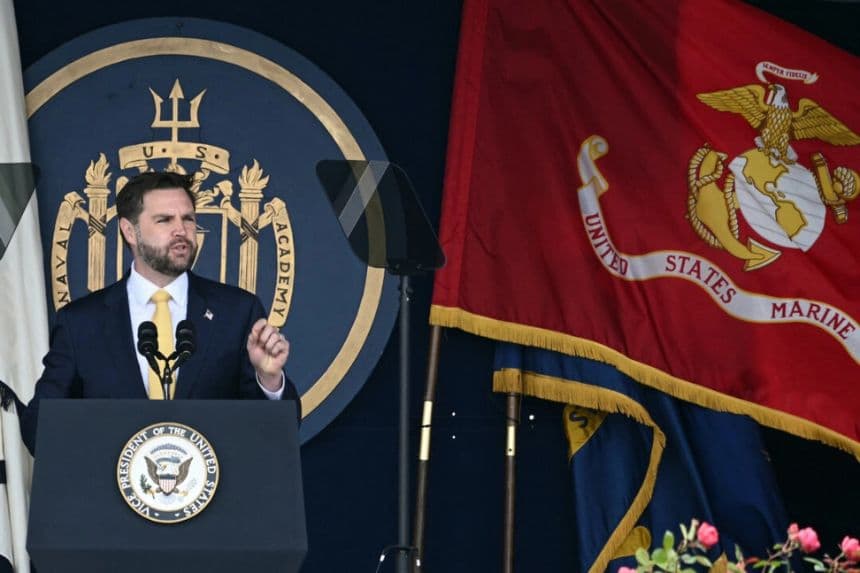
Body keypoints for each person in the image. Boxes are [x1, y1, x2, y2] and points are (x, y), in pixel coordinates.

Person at [20, 171, 299, 454]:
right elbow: (38, 429)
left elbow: (279, 431)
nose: (181, 230)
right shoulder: (80, 322)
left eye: (188, 219)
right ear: (130, 231)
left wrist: (269, 380)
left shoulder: (237, 311)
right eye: (164, 220)